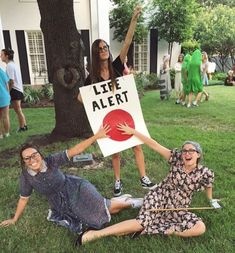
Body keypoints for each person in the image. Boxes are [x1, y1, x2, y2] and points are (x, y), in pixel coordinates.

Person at [78, 123, 218, 245]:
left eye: (191, 151)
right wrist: (133, 132)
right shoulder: (176, 159)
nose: (187, 153)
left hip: (179, 206)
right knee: (141, 222)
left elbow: (208, 185)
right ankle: (93, 234)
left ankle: (159, 231)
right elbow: (154, 144)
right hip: (160, 195)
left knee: (200, 227)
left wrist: (211, 200)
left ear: (198, 154)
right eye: (184, 151)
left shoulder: (205, 172)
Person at [0, 125, 143, 233]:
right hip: (61, 203)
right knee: (90, 220)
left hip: (77, 188)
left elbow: (75, 150)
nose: (32, 159)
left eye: (34, 155)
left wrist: (96, 136)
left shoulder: (51, 161)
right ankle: (122, 200)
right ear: (23, 161)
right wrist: (14, 219)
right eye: (27, 158)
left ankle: (133, 202)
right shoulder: (26, 176)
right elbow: (24, 198)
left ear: (40, 154)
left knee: (108, 208)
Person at [77, 6, 156, 197]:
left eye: (105, 47)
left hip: (124, 112)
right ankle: (117, 181)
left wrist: (134, 20)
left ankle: (144, 178)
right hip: (109, 116)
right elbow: (81, 98)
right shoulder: (92, 78)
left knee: (136, 143)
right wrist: (91, 101)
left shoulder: (117, 66)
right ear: (96, 53)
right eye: (100, 48)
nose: (104, 50)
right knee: (115, 150)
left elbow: (127, 42)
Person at [1, 48, 27, 132]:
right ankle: (24, 125)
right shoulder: (13, 64)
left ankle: (22, 127)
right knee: (18, 109)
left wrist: (7, 92)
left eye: (2, 55)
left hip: (15, 89)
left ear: (6, 56)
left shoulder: (9, 66)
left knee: (17, 109)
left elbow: (11, 81)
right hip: (18, 89)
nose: (0, 56)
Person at [0, 67, 10, 138]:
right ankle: (7, 133)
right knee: (5, 116)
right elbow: (7, 85)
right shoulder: (2, 71)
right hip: (4, 96)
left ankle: (0, 135)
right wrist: (8, 94)